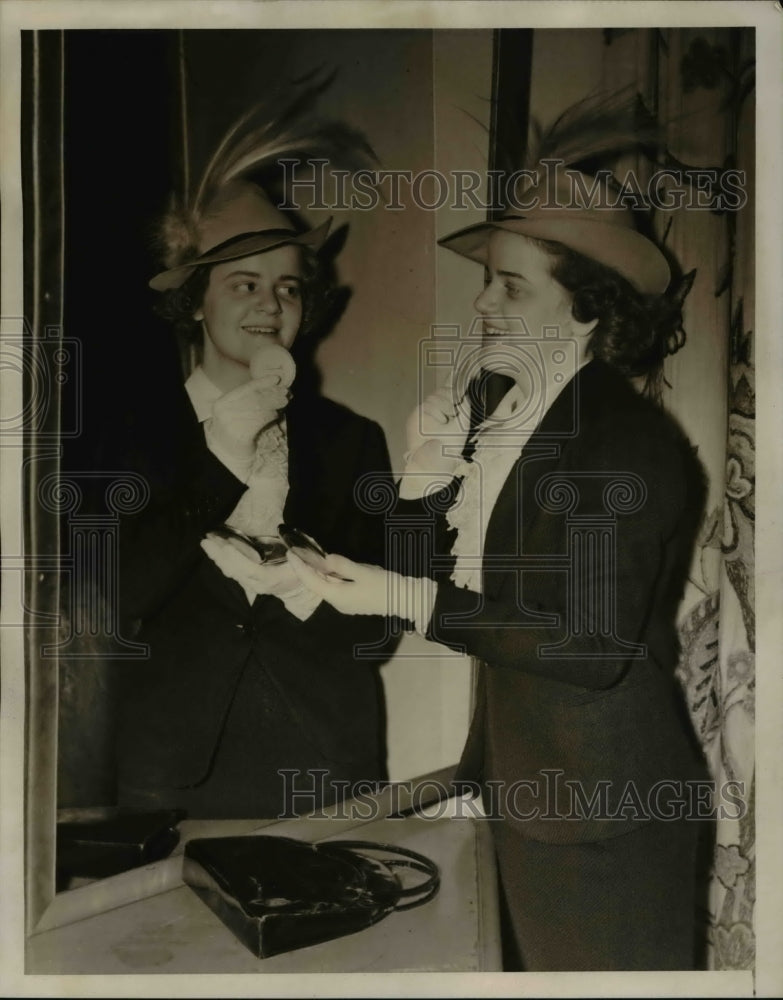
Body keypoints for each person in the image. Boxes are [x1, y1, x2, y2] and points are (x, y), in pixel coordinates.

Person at [287, 165, 709, 970]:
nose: (481, 304)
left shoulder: (620, 441)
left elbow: (586, 649)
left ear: (587, 305)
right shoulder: (515, 420)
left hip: (605, 810)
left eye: (510, 288)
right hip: (531, 787)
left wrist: (408, 595)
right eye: (487, 283)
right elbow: (441, 598)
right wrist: (418, 485)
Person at [113, 100, 395, 819]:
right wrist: (226, 457)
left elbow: (382, 626)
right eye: (243, 284)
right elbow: (115, 598)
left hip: (325, 765)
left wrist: (300, 582)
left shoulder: (351, 440)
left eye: (288, 287)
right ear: (195, 302)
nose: (270, 304)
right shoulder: (125, 434)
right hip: (173, 778)